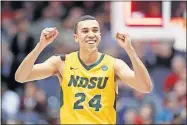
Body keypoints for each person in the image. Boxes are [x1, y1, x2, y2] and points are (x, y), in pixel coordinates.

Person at [15, 15, 153, 124]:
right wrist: (40, 45)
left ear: (100, 35)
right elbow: (21, 76)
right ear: (76, 37)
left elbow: (145, 87)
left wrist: (130, 50)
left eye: (95, 30)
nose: (91, 34)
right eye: (85, 31)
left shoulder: (114, 64)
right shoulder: (61, 62)